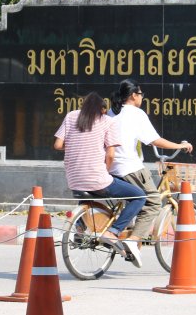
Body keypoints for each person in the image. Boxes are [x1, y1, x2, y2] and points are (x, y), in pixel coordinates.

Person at [54, 91, 145, 267]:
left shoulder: (71, 116)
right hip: (97, 178)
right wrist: (106, 171)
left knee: (88, 193)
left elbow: (58, 145)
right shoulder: (107, 121)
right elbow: (110, 155)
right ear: (102, 109)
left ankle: (80, 229)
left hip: (74, 179)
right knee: (139, 196)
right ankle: (113, 231)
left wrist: (76, 144)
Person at [109, 79, 193, 255]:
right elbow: (155, 140)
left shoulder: (111, 112)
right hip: (129, 167)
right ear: (134, 95)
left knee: (135, 198)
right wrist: (179, 146)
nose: (142, 97)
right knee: (153, 202)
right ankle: (133, 240)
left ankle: (128, 230)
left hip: (110, 167)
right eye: (141, 94)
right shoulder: (136, 114)